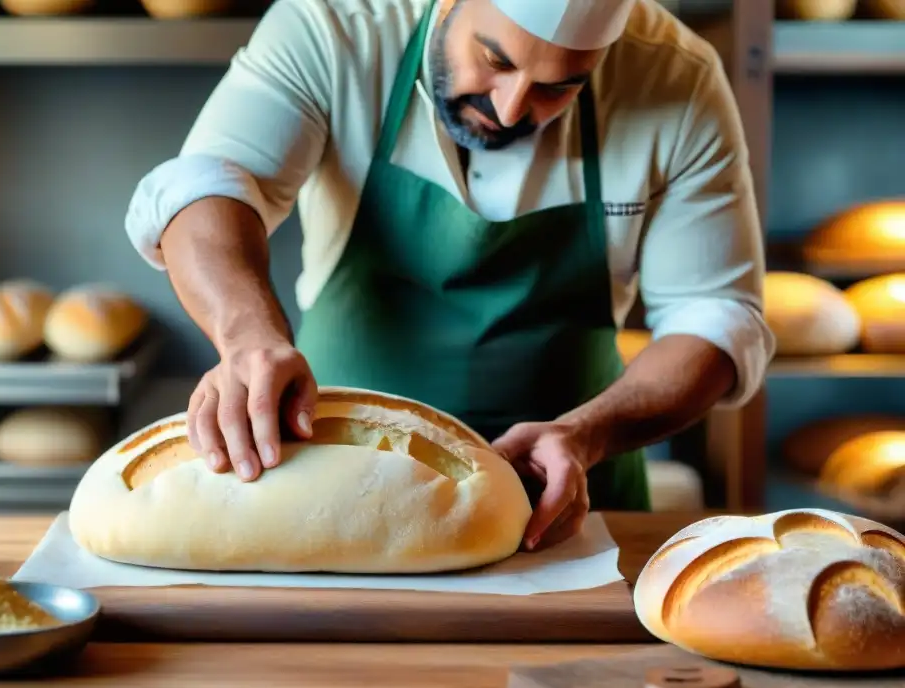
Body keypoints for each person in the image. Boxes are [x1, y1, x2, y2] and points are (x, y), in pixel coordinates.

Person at [125, 0, 775, 551]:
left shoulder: (677, 77)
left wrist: (587, 435)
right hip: (333, 481)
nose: (514, 107)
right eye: (495, 60)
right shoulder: (335, 26)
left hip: (569, 502)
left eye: (560, 87)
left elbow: (715, 317)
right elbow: (207, 186)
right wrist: (247, 339)